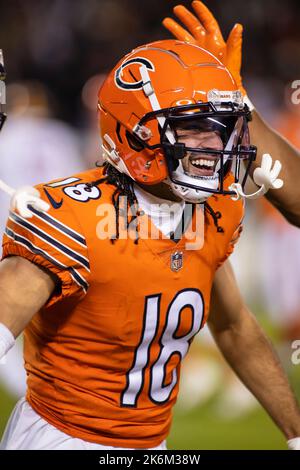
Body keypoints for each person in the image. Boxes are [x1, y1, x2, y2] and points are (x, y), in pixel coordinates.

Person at [0, 39, 299, 451]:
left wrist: (296, 433)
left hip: (152, 444)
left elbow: (233, 327)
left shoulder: (214, 210)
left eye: (222, 129)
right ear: (136, 134)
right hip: (61, 439)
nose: (214, 147)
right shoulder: (70, 219)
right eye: (194, 130)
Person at [163, 1, 300, 228]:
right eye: (193, 127)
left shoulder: (216, 220)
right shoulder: (91, 213)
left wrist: (235, 97)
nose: (214, 143)